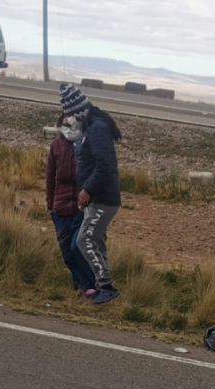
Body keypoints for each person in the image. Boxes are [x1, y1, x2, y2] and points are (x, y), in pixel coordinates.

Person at [59, 83, 122, 305]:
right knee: (96, 240)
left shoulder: (97, 129)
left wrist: (87, 189)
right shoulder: (88, 129)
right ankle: (102, 285)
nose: (67, 119)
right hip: (97, 197)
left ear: (78, 111)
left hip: (103, 198)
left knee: (85, 238)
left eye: (69, 113)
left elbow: (104, 165)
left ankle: (106, 285)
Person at [46, 114, 97, 298]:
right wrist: (50, 206)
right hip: (59, 209)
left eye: (73, 125)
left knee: (78, 247)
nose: (68, 128)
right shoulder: (56, 147)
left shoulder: (87, 147)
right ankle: (80, 286)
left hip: (80, 209)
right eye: (65, 125)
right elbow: (50, 178)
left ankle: (89, 285)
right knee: (67, 254)